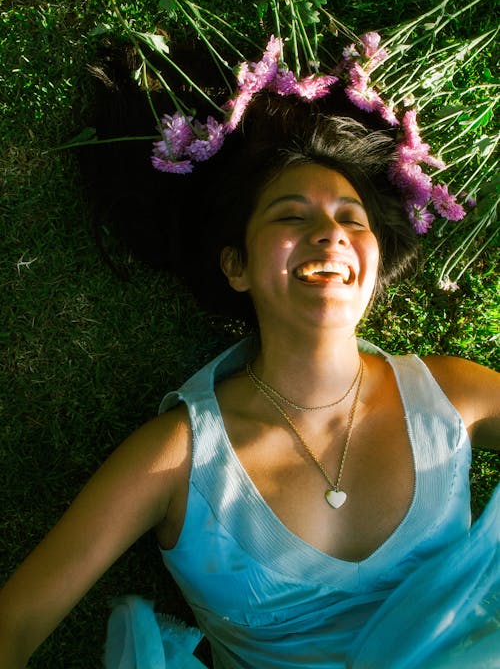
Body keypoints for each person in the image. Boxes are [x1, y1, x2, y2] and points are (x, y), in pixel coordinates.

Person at [0, 38, 499, 669]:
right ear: (235, 265)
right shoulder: (175, 459)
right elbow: (14, 621)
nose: (330, 233)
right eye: (292, 217)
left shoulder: (455, 397)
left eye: (353, 218)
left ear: (375, 263)